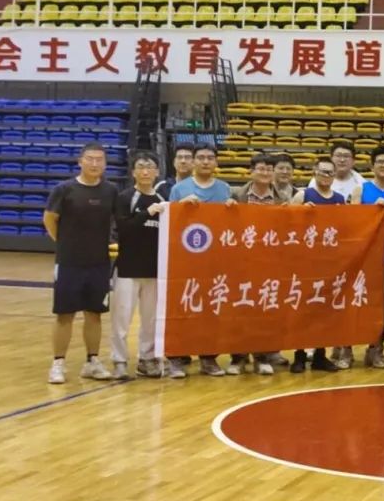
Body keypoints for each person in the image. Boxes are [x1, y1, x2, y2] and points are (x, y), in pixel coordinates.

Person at [43, 143, 119, 384]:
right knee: (64, 314)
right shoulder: (64, 189)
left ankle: (92, 361)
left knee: (94, 314)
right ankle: (58, 363)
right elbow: (49, 219)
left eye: (99, 159)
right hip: (69, 262)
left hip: (99, 262)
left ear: (105, 164)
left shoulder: (111, 190)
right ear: (80, 161)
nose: (95, 163)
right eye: (90, 159)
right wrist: (64, 242)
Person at [167, 143, 233, 377]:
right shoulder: (179, 189)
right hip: (185, 260)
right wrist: (180, 208)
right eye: (201, 157)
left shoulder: (225, 189)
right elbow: (170, 223)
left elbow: (231, 225)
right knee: (181, 308)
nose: (205, 161)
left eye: (210, 158)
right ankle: (176, 356)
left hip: (215, 261)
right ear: (194, 162)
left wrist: (233, 209)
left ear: (216, 162)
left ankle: (209, 358)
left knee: (211, 310)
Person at [226, 154, 289, 376]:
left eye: (269, 169)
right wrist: (228, 208)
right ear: (251, 171)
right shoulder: (236, 195)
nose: (265, 173)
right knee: (240, 311)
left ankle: (262, 357)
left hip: (269, 263)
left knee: (264, 311)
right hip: (241, 262)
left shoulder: (282, 199)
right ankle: (238, 357)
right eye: (261, 169)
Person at [111, 151, 168, 381]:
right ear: (133, 172)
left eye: (150, 167)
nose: (145, 171)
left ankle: (147, 359)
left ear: (157, 172)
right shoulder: (126, 197)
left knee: (150, 319)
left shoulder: (163, 200)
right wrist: (147, 213)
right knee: (121, 318)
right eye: (141, 167)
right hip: (128, 268)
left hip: (154, 270)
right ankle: (119, 360)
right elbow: (124, 229)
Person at [290, 157, 347, 373]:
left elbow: (347, 229)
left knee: (325, 311)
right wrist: (300, 212)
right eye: (323, 172)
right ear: (314, 172)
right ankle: (299, 355)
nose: (326, 176)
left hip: (329, 263)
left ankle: (320, 355)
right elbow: (286, 223)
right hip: (304, 263)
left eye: (330, 173)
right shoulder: (303, 195)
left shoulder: (339, 199)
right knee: (302, 311)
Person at [348, 146, 384, 369]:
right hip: (367, 259)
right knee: (357, 305)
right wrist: (373, 210)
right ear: (372, 166)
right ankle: (345, 349)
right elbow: (352, 221)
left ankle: (375, 349)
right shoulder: (361, 190)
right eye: (380, 161)